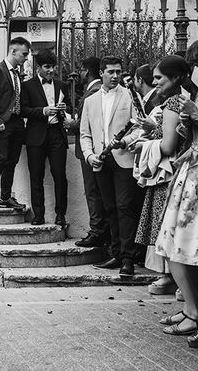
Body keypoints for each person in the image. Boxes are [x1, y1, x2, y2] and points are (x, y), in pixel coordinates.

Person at [130, 56, 189, 295]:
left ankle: (174, 280)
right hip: (176, 172)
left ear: (175, 78)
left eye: (158, 78)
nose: (154, 83)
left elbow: (167, 146)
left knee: (167, 227)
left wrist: (144, 146)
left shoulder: (174, 104)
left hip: (172, 174)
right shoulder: (178, 101)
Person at [80, 56, 141, 277]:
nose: (115, 76)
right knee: (110, 208)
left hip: (124, 159)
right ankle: (115, 253)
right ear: (102, 74)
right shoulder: (90, 101)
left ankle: (128, 258)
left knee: (125, 207)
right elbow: (85, 134)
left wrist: (125, 141)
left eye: (118, 71)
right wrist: (89, 156)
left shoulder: (130, 96)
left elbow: (140, 129)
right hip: (101, 161)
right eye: (111, 72)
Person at [155, 53, 198, 347]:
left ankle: (193, 312)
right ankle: (190, 309)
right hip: (189, 173)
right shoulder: (188, 97)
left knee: (183, 246)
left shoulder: (188, 100)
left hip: (193, 179)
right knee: (174, 246)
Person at [20, 50, 73, 226]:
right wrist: (43, 111)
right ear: (39, 67)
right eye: (47, 67)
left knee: (60, 176)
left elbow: (71, 110)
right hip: (36, 136)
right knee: (36, 177)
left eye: (53, 67)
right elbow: (23, 110)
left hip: (57, 134)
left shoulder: (62, 85)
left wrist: (65, 109)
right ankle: (39, 215)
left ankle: (60, 215)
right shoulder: (28, 86)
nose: (51, 71)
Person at [0, 36, 31, 212]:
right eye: (24, 54)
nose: (26, 58)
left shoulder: (18, 73)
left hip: (17, 123)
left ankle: (5, 197)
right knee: (0, 159)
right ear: (13, 51)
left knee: (12, 161)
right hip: (2, 123)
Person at [72, 57, 108, 247]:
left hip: (90, 151)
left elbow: (90, 122)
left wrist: (72, 124)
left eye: (80, 70)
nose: (78, 73)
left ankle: (97, 231)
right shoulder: (92, 91)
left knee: (93, 191)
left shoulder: (93, 92)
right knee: (94, 191)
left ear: (87, 71)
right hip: (91, 150)